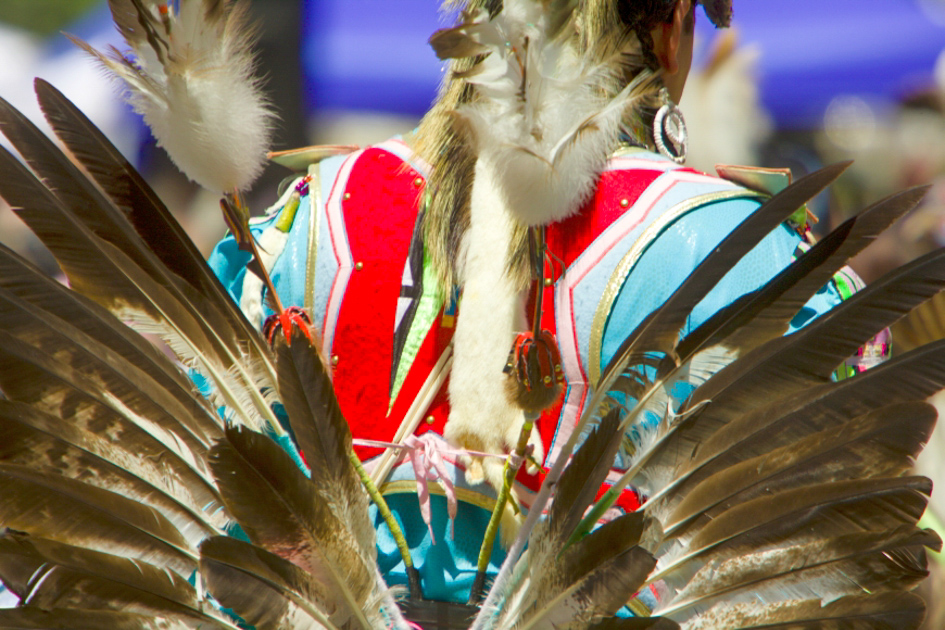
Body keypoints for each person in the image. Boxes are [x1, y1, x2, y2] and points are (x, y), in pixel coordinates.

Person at [209, 0, 872, 611]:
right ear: (671, 28)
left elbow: (221, 501)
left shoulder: (306, 218)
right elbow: (812, 541)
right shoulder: (735, 247)